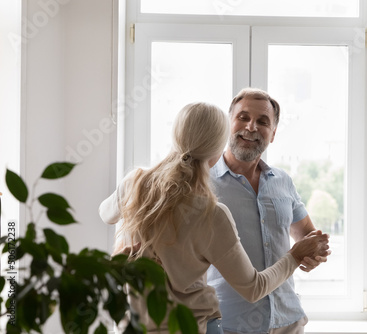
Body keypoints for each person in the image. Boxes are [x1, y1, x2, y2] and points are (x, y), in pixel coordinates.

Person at [99, 102, 330, 334]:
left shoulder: (134, 183)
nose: (251, 127)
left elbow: (105, 214)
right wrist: (295, 255)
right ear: (219, 148)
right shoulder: (212, 214)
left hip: (136, 326)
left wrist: (125, 244)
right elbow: (254, 288)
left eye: (262, 121)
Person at [207, 88, 331, 334]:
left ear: (273, 134)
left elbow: (307, 235)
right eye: (243, 117)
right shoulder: (203, 182)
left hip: (288, 321)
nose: (251, 127)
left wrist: (316, 251)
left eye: (263, 121)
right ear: (228, 123)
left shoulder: (282, 180)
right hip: (228, 323)